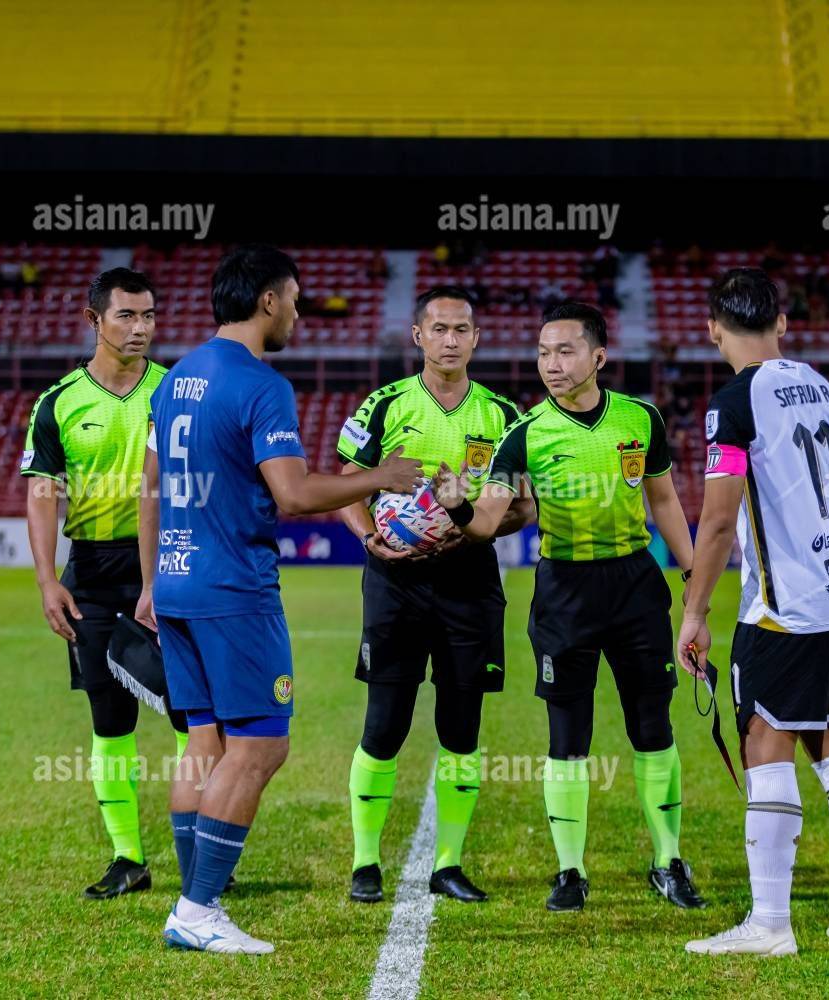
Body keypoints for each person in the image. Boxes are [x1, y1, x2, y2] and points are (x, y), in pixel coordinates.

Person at [135, 246, 423, 954]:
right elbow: (293, 495)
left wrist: (151, 580)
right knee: (262, 743)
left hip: (176, 579)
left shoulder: (173, 380)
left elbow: (150, 488)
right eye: (294, 298)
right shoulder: (261, 384)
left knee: (205, 741)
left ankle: (195, 897)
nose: (298, 311)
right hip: (233, 588)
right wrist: (380, 476)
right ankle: (198, 909)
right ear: (268, 300)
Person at [433, 301, 704, 913]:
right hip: (564, 593)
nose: (551, 364)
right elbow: (485, 523)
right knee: (567, 735)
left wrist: (692, 574)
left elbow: (664, 501)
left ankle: (668, 861)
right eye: (542, 353)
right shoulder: (525, 433)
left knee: (653, 727)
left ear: (598, 357)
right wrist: (456, 504)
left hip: (635, 586)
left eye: (565, 351)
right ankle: (570, 872)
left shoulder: (641, 419)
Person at [678, 269, 829, 957]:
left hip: (784, 607)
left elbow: (717, 522)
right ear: (782, 323)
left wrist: (694, 613)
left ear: (713, 329)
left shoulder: (733, 403)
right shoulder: (826, 389)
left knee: (766, 744)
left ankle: (770, 923)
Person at [337, 286, 534, 905]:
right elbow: (346, 484)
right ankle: (365, 863)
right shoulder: (384, 404)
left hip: (469, 580)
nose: (451, 340)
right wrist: (370, 538)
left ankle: (448, 864)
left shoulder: (504, 416)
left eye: (462, 329)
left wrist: (471, 525)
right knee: (384, 723)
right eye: (440, 329)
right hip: (394, 581)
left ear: (476, 338)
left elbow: (524, 508)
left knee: (461, 726)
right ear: (418, 336)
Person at [21, 267, 183, 900]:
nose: (141, 328)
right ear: (94, 320)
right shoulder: (59, 401)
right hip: (90, 572)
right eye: (127, 316)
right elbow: (43, 493)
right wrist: (46, 579)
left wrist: (162, 577)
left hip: (169, 565)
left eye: (149, 316)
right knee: (109, 719)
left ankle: (201, 850)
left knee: (191, 715)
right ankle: (127, 858)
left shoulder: (175, 392)